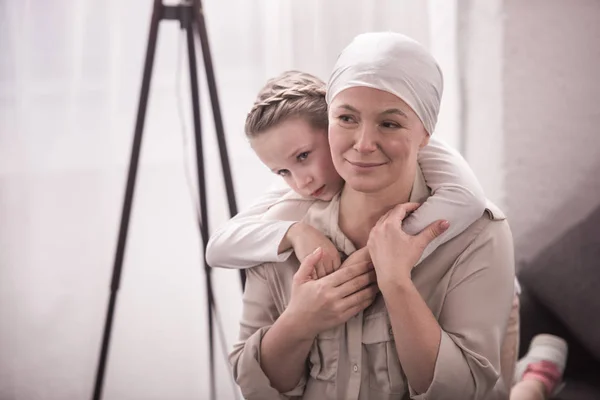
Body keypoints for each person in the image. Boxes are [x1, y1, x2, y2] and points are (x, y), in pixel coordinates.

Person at [226, 32, 515, 399]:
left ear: (425, 134)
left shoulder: (480, 235)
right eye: (347, 118)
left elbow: (463, 392)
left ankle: (537, 378)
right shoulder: (279, 228)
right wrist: (300, 322)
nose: (363, 144)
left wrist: (396, 283)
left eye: (389, 124)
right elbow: (253, 387)